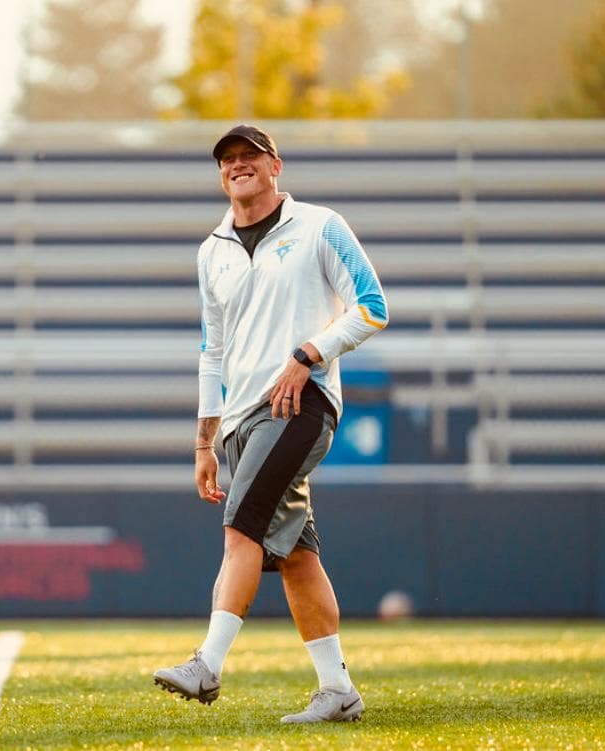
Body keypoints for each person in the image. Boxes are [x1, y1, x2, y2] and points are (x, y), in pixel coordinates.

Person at [152, 125, 388, 724]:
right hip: (238, 421)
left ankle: (207, 665)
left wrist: (309, 355)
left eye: (249, 156)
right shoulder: (211, 250)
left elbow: (372, 307)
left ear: (275, 165)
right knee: (296, 555)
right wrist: (204, 441)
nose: (238, 165)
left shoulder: (320, 225)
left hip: (297, 406)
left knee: (241, 530)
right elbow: (211, 351)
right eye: (227, 160)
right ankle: (338, 690)